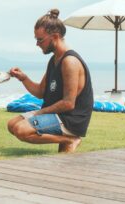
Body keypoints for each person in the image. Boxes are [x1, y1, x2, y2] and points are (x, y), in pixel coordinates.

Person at [7, 9, 93, 153]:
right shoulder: (54, 60)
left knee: (21, 129)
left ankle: (70, 139)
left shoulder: (69, 62)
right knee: (12, 124)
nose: (37, 44)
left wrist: (40, 113)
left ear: (55, 36)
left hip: (70, 120)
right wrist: (23, 78)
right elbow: (40, 92)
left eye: (40, 39)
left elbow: (68, 103)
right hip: (56, 115)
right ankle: (66, 142)